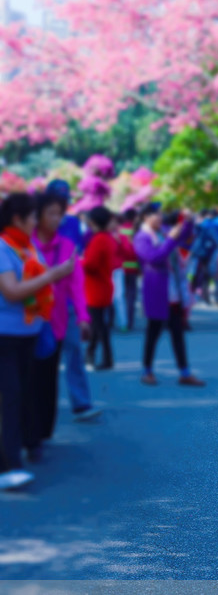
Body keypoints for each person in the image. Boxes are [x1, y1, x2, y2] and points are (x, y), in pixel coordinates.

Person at [0, 193, 74, 490]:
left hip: (29, 334)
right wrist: (54, 274)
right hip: (5, 337)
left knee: (23, 395)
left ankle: (21, 452)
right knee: (11, 397)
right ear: (17, 219)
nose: (36, 222)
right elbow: (12, 291)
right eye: (32, 217)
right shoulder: (4, 247)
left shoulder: (27, 248)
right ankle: (9, 465)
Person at [32, 192, 99, 454]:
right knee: (29, 379)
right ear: (37, 215)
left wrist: (83, 317)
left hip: (57, 320)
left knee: (48, 377)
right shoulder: (26, 244)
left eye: (60, 213)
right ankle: (30, 434)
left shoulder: (67, 246)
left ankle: (42, 432)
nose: (56, 218)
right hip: (28, 321)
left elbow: (76, 285)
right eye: (51, 213)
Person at [134, 204, 205, 387]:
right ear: (145, 217)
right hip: (157, 293)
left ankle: (184, 372)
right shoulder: (142, 237)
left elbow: (182, 236)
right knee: (153, 334)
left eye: (159, 214)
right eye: (155, 215)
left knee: (178, 334)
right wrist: (171, 240)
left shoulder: (162, 232)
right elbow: (154, 258)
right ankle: (147, 370)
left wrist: (188, 221)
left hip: (172, 294)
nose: (159, 217)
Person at [83, 206, 115, 370]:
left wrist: (78, 261)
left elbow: (90, 264)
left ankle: (105, 358)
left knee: (99, 325)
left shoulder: (98, 239)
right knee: (98, 324)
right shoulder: (108, 238)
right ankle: (91, 353)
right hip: (104, 285)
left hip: (95, 287)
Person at [119, 209, 140, 330]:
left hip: (121, 268)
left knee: (120, 296)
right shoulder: (137, 229)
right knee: (131, 296)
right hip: (133, 268)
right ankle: (130, 321)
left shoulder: (118, 230)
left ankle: (121, 321)